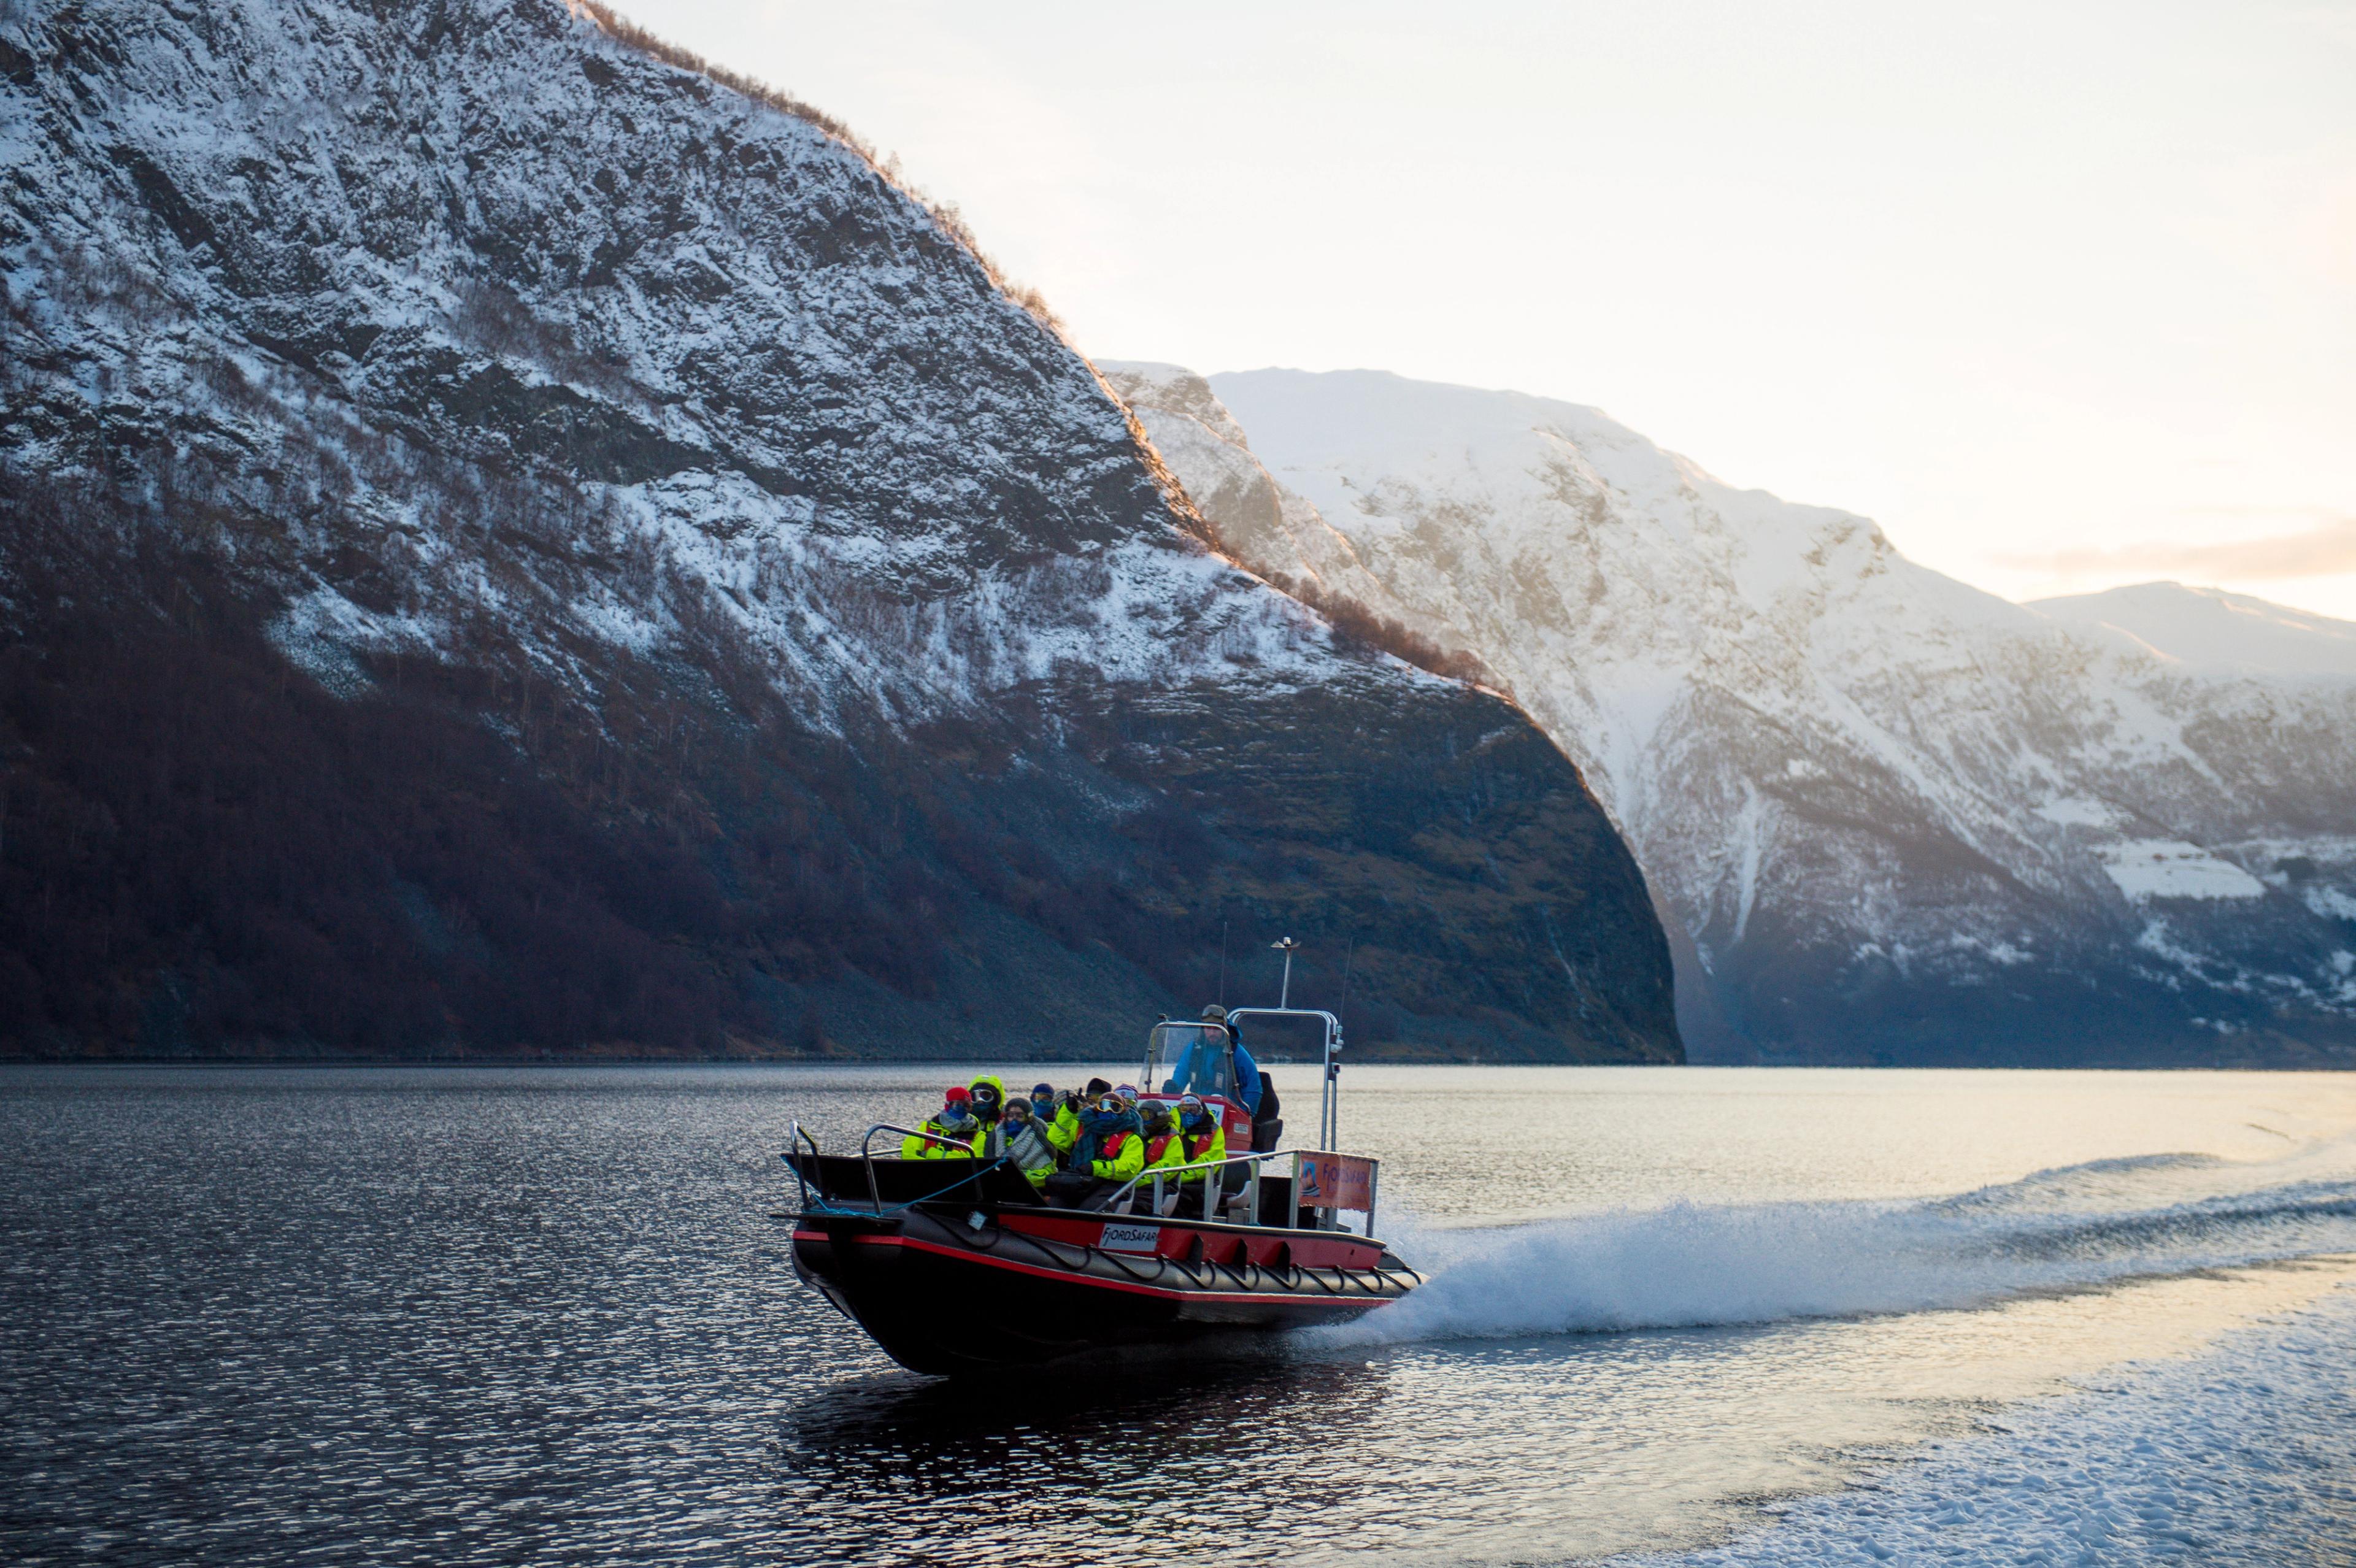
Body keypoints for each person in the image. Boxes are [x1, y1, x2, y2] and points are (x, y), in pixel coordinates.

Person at [1041, 1090, 1142, 1209]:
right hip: (1080, 1181)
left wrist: (1095, 1167)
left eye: (1115, 1107)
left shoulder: (1131, 1139)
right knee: (1053, 1205)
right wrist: (1069, 1111)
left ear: (1123, 1112)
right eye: (1104, 1106)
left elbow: (1129, 1168)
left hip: (1112, 1185)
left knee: (1089, 1209)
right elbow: (1056, 1138)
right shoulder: (1084, 1129)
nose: (1109, 1110)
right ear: (1097, 1108)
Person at [1203, 1004, 1265, 1116]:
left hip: (1230, 1113)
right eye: (1208, 1028)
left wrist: (1242, 1115)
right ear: (1203, 1029)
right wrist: (1173, 1090)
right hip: (1198, 1110)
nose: (1212, 1033)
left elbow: (1254, 1088)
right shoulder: (1194, 1049)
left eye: (1216, 1029)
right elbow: (1181, 1073)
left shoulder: (1237, 1052)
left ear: (1224, 1029)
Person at [990, 1096, 1060, 1189]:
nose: (1014, 1120)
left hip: (1034, 1191)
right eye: (1011, 1115)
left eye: (1020, 1116)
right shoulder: (995, 1135)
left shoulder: (1042, 1138)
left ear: (1028, 1118)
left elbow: (1049, 1174)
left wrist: (1017, 1176)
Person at [903, 1086, 979, 1159]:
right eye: (957, 1105)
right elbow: (908, 1153)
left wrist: (930, 1154)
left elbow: (977, 1159)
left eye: (966, 1105)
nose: (962, 1108)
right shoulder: (927, 1128)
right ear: (948, 1106)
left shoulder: (978, 1135)